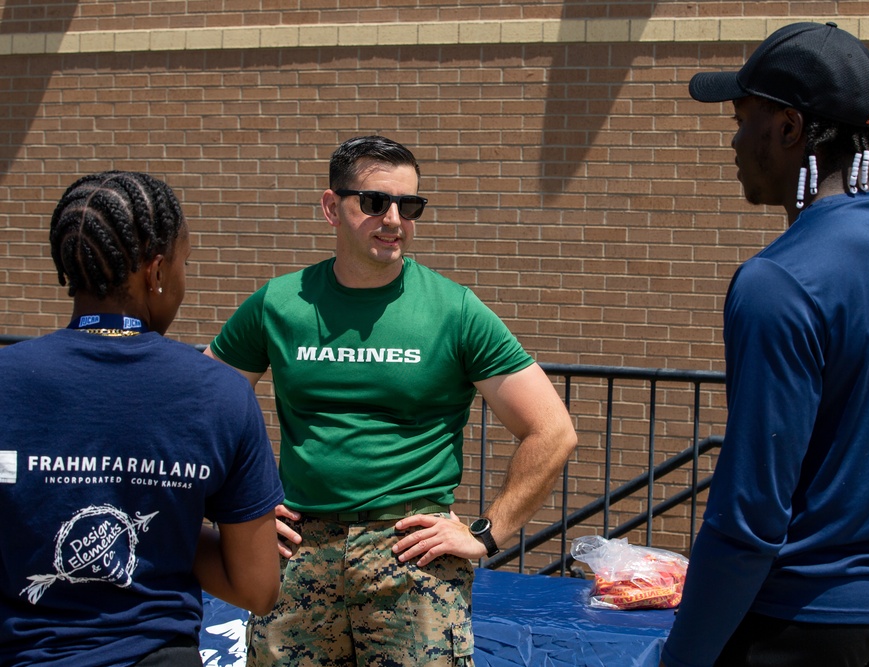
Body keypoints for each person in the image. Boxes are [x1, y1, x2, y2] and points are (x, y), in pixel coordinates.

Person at [661, 22, 869, 667]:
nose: (734, 140)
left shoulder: (778, 281)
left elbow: (750, 514)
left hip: (795, 621)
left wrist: (684, 655)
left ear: (788, 128)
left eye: (742, 116)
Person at [204, 135, 578, 666]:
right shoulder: (279, 304)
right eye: (376, 202)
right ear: (332, 206)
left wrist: (488, 534)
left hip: (412, 557)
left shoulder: (455, 311)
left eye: (411, 205)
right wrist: (238, 507)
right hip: (297, 552)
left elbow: (552, 430)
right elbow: (199, 412)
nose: (394, 219)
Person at [0, 171, 285, 667]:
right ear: (155, 272)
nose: (182, 280)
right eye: (184, 264)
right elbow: (257, 588)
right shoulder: (218, 393)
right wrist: (164, 522)